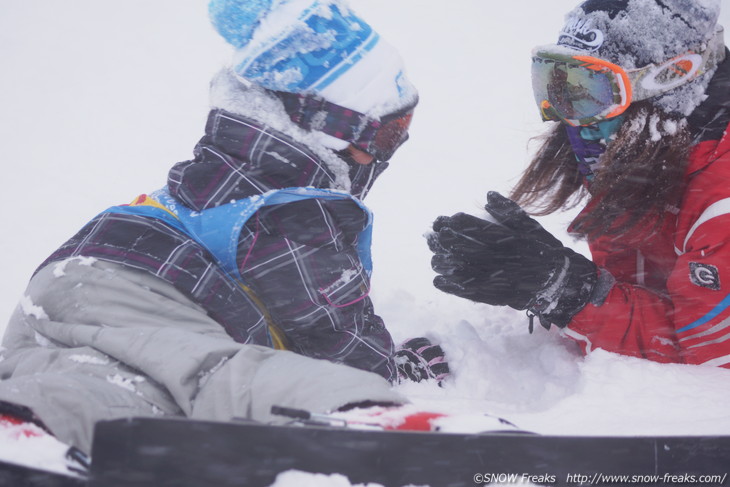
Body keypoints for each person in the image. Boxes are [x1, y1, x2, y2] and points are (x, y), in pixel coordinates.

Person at [0, 0, 449, 458]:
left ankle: (26, 412)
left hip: (73, 276)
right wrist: (384, 375)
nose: (388, 152)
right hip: (151, 299)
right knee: (184, 390)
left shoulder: (227, 168)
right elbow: (339, 341)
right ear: (324, 126)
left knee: (58, 363)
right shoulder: (295, 215)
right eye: (388, 133)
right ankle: (36, 436)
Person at [428, 0, 730, 367]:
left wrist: (566, 291)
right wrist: (548, 279)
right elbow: (646, 288)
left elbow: (713, 361)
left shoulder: (719, 197)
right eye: (559, 85)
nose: (570, 115)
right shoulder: (641, 146)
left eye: (592, 90)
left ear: (669, 83)